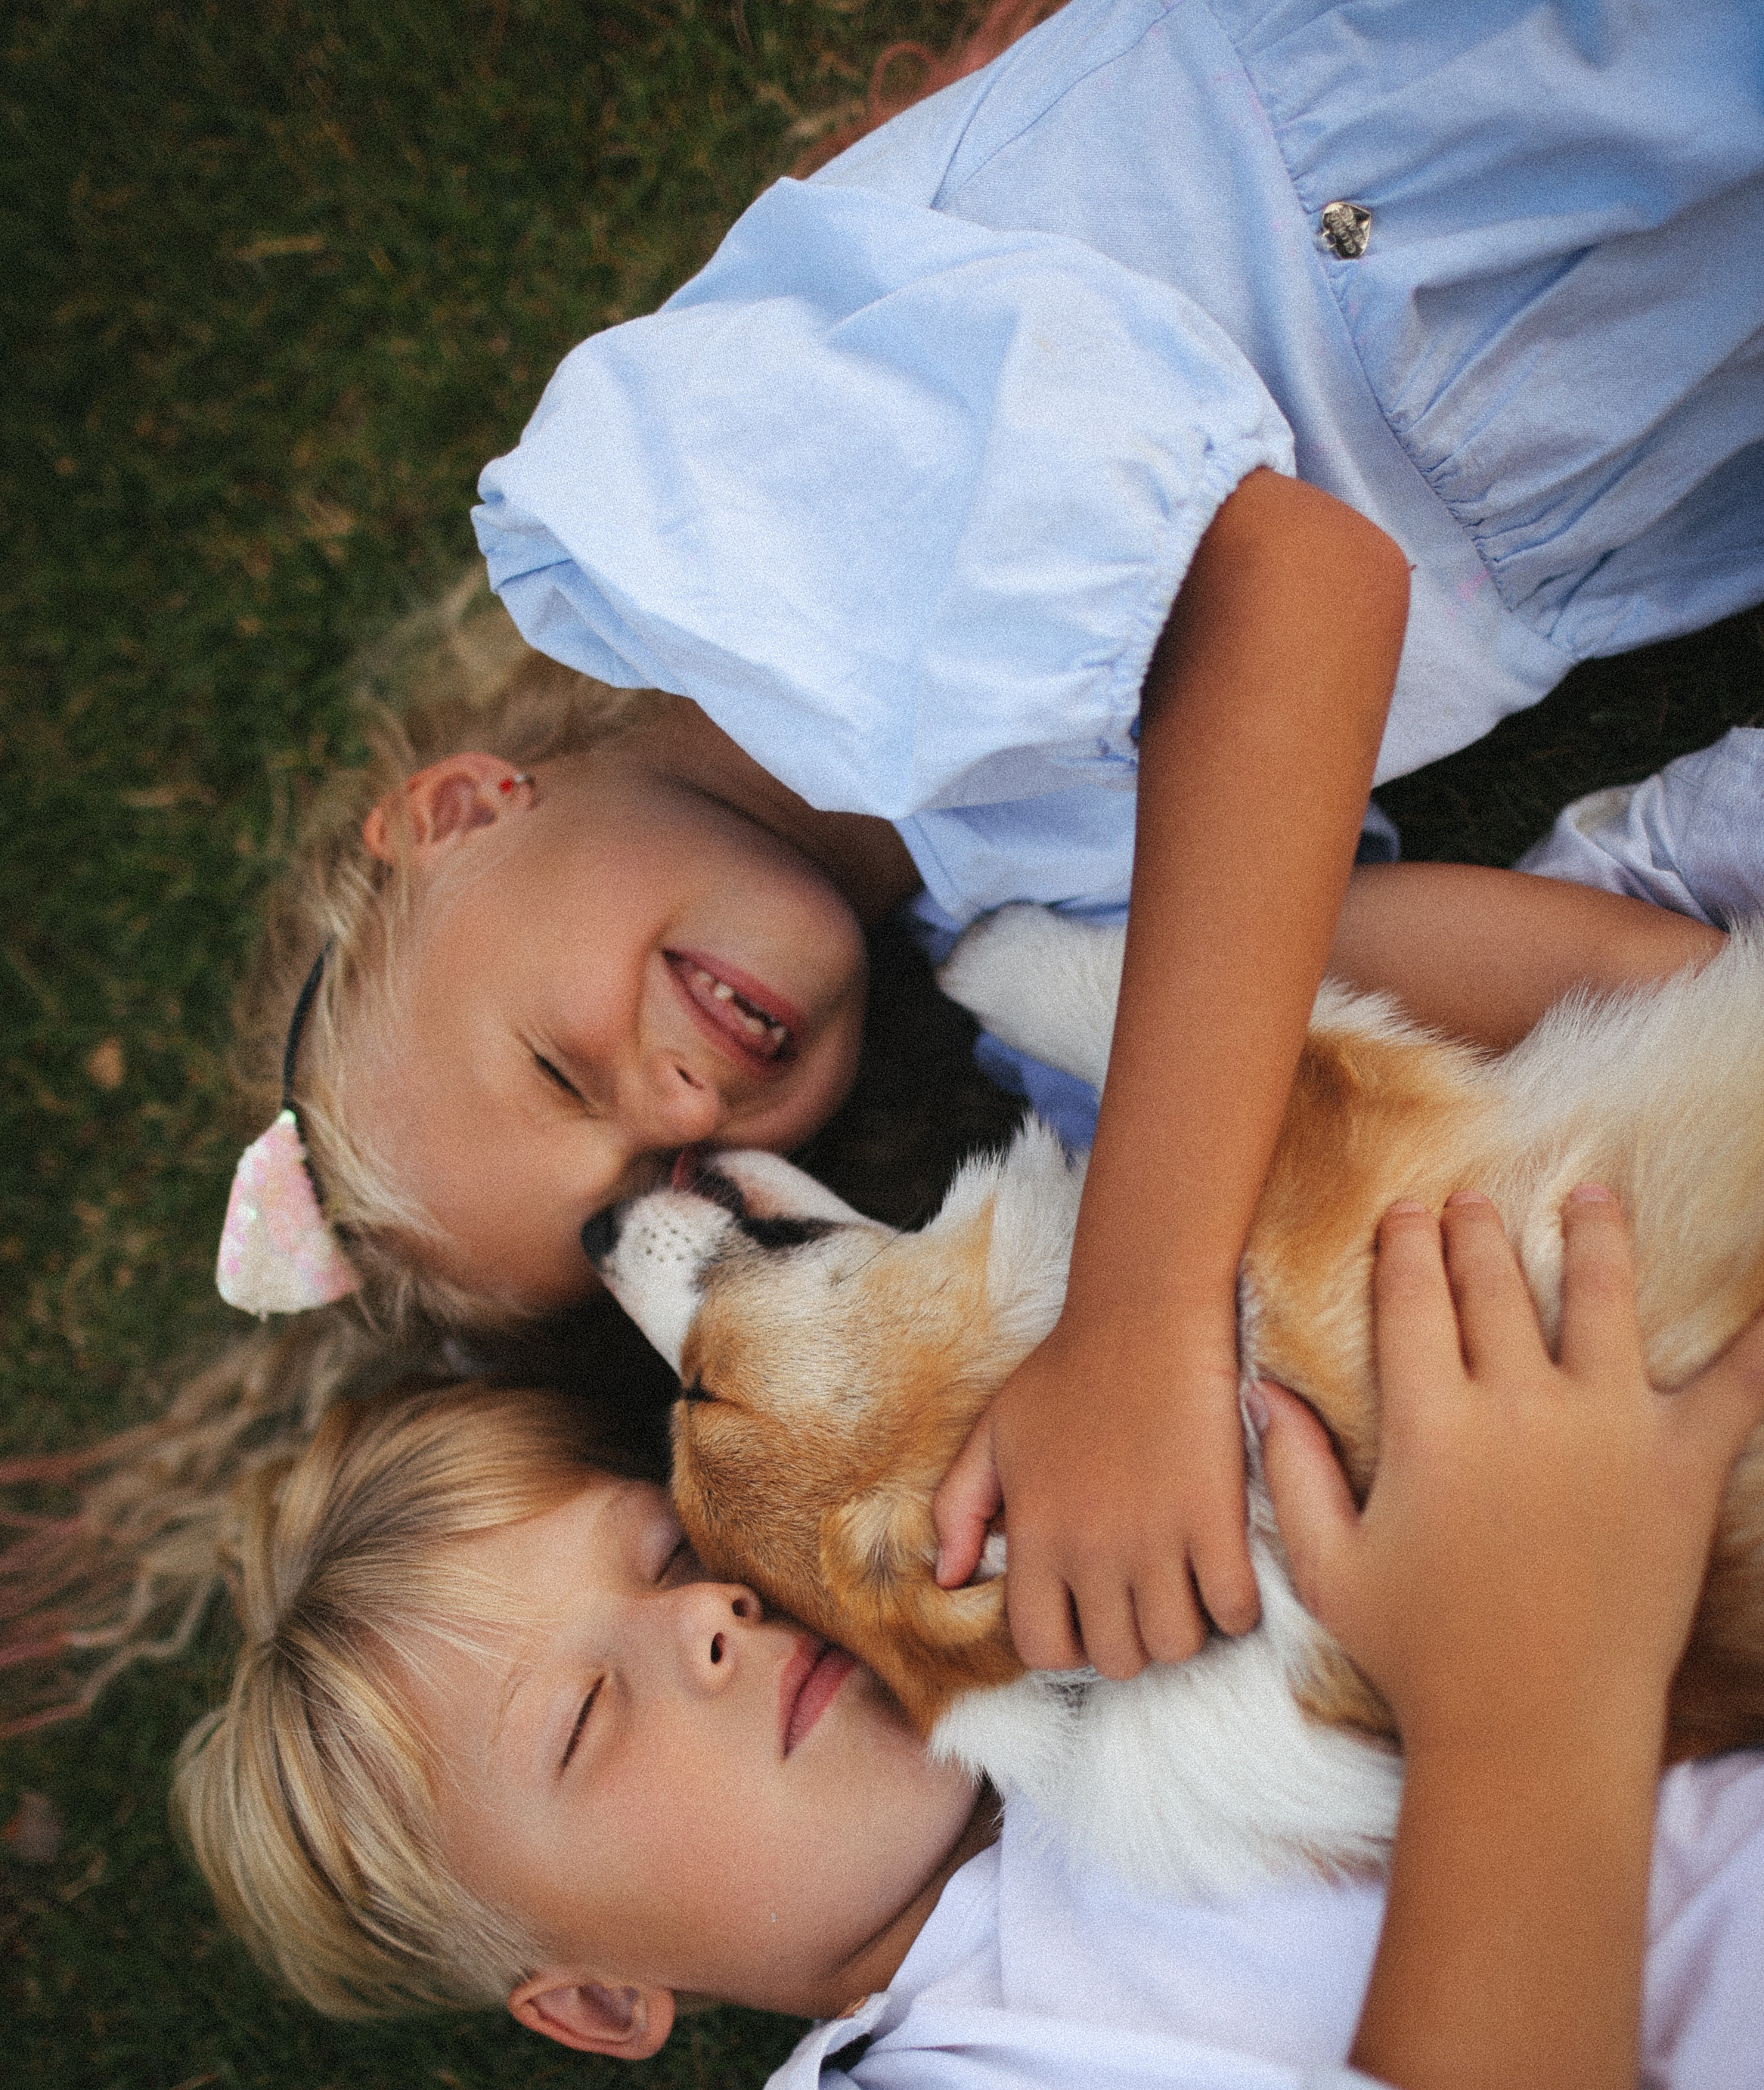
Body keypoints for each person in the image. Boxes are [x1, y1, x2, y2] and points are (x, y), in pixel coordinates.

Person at [237, 0, 1762, 1695]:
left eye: (553, 1063)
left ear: (458, 812)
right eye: (662, 1188)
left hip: (1506, 130)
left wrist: (1141, 1310)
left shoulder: (685, 524)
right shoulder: (1037, 946)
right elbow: (1408, 999)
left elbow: (1287, 594)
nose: (676, 1107)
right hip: (1670, 431)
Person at [172, 1186, 1764, 2090]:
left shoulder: (1127, 1526)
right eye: (586, 1718)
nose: (710, 1619)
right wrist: (1530, 1722)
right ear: (594, 2002)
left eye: (664, 1551)